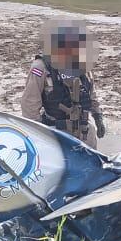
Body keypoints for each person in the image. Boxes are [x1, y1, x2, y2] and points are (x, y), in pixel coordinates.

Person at [21, 18, 106, 149]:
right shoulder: (40, 67)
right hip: (56, 130)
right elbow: (30, 104)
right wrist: (37, 133)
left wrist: (98, 116)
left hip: (84, 129)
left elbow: (91, 92)